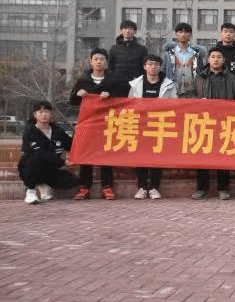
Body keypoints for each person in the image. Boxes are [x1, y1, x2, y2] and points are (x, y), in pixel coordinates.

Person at [70, 48, 129, 201]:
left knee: (106, 155)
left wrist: (111, 94)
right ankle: (84, 187)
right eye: (95, 59)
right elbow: (72, 101)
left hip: (106, 123)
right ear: (90, 61)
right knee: (86, 155)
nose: (98, 62)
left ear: (106, 62)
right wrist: (78, 94)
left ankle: (107, 187)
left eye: (102, 59)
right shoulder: (83, 80)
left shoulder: (113, 80)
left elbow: (125, 97)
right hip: (88, 123)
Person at [192, 47, 235, 201]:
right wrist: (198, 102)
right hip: (204, 122)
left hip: (225, 123)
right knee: (202, 157)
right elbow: (191, 97)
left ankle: (223, 188)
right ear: (208, 59)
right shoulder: (199, 78)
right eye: (213, 56)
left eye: (219, 57)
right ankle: (201, 188)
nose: (216, 59)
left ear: (223, 60)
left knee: (223, 156)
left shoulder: (231, 78)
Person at [128, 54, 177, 200]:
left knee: (157, 156)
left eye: (156, 64)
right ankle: (142, 187)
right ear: (144, 67)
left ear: (160, 67)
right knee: (140, 156)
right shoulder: (136, 84)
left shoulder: (169, 84)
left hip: (160, 125)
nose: (153, 67)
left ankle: (155, 187)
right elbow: (130, 104)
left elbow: (176, 104)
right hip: (140, 125)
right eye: (150, 64)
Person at [18, 101, 79, 204]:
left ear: (51, 113)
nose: (44, 115)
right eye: (40, 112)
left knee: (72, 181)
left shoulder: (58, 131)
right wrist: (62, 162)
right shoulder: (29, 132)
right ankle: (30, 191)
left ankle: (43, 184)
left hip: (51, 168)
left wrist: (78, 131)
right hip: (30, 167)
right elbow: (39, 154)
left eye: (46, 111)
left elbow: (72, 145)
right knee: (34, 159)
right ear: (35, 114)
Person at [162, 22, 207, 98]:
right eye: (180, 32)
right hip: (172, 94)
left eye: (186, 32)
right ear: (176, 34)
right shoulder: (168, 55)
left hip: (193, 94)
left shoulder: (197, 54)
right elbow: (163, 72)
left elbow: (201, 74)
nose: (183, 34)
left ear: (190, 35)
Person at [212, 22, 235, 87]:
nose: (228, 34)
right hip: (215, 88)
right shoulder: (213, 52)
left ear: (234, 35)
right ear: (221, 34)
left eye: (231, 32)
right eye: (225, 32)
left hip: (234, 89)